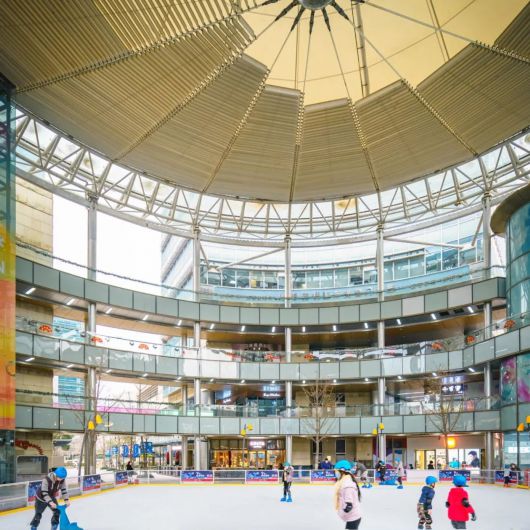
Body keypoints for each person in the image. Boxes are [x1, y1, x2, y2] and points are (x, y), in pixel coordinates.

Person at [334, 460, 362, 529]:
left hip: (353, 516)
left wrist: (345, 509)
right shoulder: (345, 482)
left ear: (342, 471)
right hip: (352, 516)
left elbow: (349, 504)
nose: (335, 473)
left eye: (336, 471)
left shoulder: (347, 485)